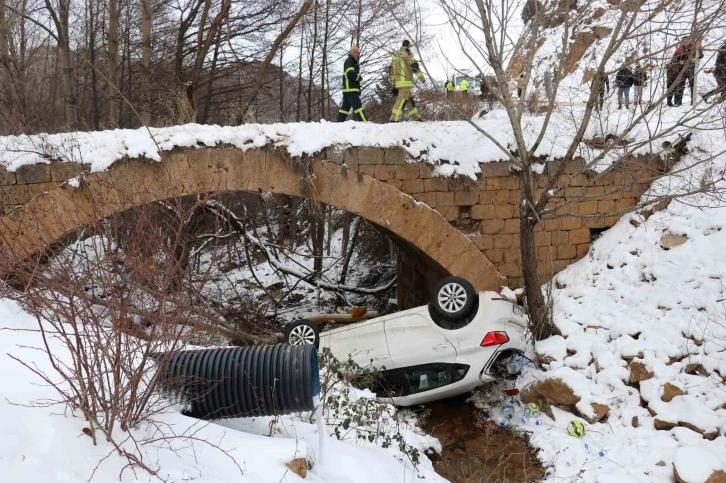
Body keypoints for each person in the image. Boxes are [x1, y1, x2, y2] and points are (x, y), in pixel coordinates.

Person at [390, 40, 426, 122]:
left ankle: (416, 117)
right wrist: (422, 79)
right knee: (401, 100)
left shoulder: (395, 56)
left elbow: (391, 71)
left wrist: (394, 84)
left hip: (399, 83)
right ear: (408, 46)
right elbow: (415, 67)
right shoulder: (408, 55)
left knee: (410, 101)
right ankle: (394, 118)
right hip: (405, 82)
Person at [668, 36, 703, 106]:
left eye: (687, 41)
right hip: (681, 70)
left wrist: (695, 58)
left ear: (689, 41)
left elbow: (701, 55)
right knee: (680, 86)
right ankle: (678, 103)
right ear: (682, 42)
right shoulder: (679, 50)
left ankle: (693, 102)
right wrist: (679, 62)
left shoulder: (694, 48)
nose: (685, 43)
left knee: (693, 86)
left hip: (692, 69)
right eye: (684, 42)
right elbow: (673, 60)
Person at [337, 45, 367, 122]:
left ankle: (339, 123)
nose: (357, 54)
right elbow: (350, 74)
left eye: (358, 52)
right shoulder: (350, 61)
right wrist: (359, 78)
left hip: (347, 89)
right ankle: (365, 122)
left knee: (345, 108)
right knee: (358, 106)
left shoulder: (350, 61)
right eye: (356, 52)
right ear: (352, 52)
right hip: (351, 88)